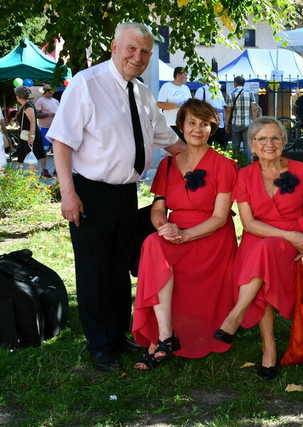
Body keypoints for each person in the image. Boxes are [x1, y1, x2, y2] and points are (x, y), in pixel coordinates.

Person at [48, 22, 184, 372]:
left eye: (144, 52)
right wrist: (68, 194)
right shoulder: (86, 84)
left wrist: (210, 166)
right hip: (90, 193)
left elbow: (168, 140)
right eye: (131, 49)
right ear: (114, 46)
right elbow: (62, 141)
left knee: (121, 268)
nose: (137, 57)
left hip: (126, 193)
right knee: (95, 271)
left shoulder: (140, 92)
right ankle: (99, 346)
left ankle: (118, 334)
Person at [132, 99, 237, 368]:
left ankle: (166, 341)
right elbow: (158, 209)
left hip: (210, 237)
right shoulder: (168, 165)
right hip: (175, 232)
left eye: (205, 124)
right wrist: (163, 228)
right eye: (192, 123)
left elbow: (220, 217)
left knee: (157, 245)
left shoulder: (224, 166)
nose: (198, 129)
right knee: (153, 243)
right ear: (181, 125)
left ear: (211, 129)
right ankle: (166, 337)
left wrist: (186, 235)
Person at [214, 117, 303, 380]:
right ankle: (268, 346)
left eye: (275, 138)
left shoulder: (302, 171)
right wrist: (289, 235)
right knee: (262, 254)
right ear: (252, 145)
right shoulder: (244, 175)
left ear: (284, 142)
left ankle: (239, 319)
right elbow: (249, 224)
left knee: (262, 258)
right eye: (262, 139)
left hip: (293, 245)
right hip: (261, 236)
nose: (269, 144)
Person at [14, 86, 49, 176]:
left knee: (32, 154)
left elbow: (33, 121)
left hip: (29, 135)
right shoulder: (25, 105)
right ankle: (21, 173)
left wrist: (31, 136)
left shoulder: (28, 106)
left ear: (18, 96)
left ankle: (32, 176)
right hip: (27, 134)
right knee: (25, 153)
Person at [225, 76, 258, 164]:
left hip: (235, 123)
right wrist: (254, 123)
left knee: (235, 146)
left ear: (235, 83)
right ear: (244, 83)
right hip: (247, 123)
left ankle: (235, 165)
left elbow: (228, 110)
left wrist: (226, 124)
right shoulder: (250, 93)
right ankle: (247, 165)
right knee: (247, 146)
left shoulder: (231, 94)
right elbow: (254, 109)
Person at [157, 66, 192, 135]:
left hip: (184, 125)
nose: (187, 77)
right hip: (170, 124)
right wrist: (178, 105)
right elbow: (160, 104)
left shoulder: (186, 88)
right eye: (185, 75)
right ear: (178, 75)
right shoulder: (166, 86)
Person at [194, 81, 228, 147]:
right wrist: (212, 110)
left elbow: (223, 106)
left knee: (223, 145)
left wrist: (225, 121)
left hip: (220, 124)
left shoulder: (218, 91)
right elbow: (196, 107)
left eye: (215, 79)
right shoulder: (201, 90)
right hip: (207, 124)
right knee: (206, 146)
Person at [35, 83, 60, 152]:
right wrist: (48, 114)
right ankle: (44, 161)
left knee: (55, 148)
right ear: (45, 92)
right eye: (50, 92)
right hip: (45, 128)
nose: (52, 93)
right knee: (45, 148)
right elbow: (36, 115)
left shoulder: (55, 101)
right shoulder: (40, 101)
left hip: (55, 128)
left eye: (53, 91)